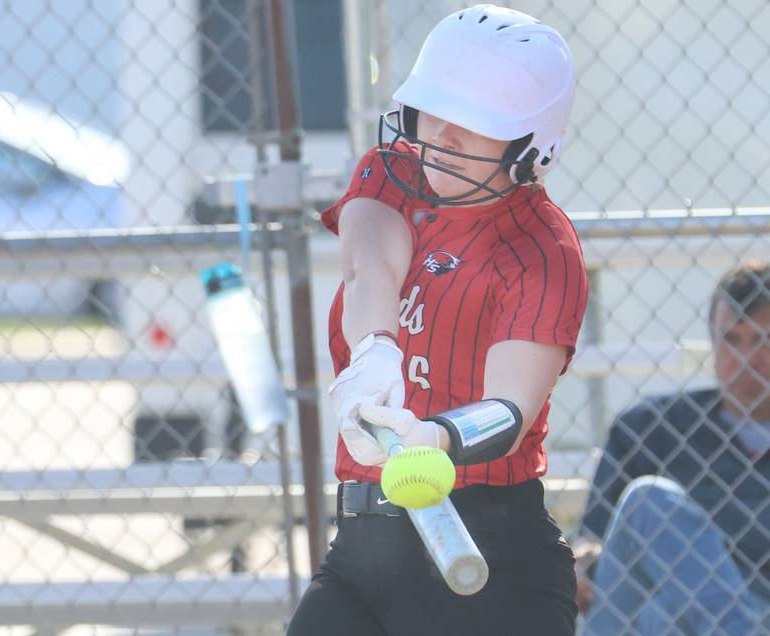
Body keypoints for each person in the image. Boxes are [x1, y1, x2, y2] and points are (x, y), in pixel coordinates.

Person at [286, 5, 588, 636]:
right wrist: (375, 350)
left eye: (473, 123)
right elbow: (370, 268)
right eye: (433, 109)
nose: (443, 135)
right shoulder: (394, 170)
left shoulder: (541, 250)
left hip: (490, 559)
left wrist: (437, 438)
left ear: (530, 147)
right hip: (363, 549)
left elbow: (511, 409)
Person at [575, 260, 770, 635]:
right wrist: (581, 561)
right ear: (712, 341)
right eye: (731, 340)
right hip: (643, 618)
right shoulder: (650, 428)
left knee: (667, 615)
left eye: (763, 340)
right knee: (648, 501)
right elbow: (592, 540)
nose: (747, 360)